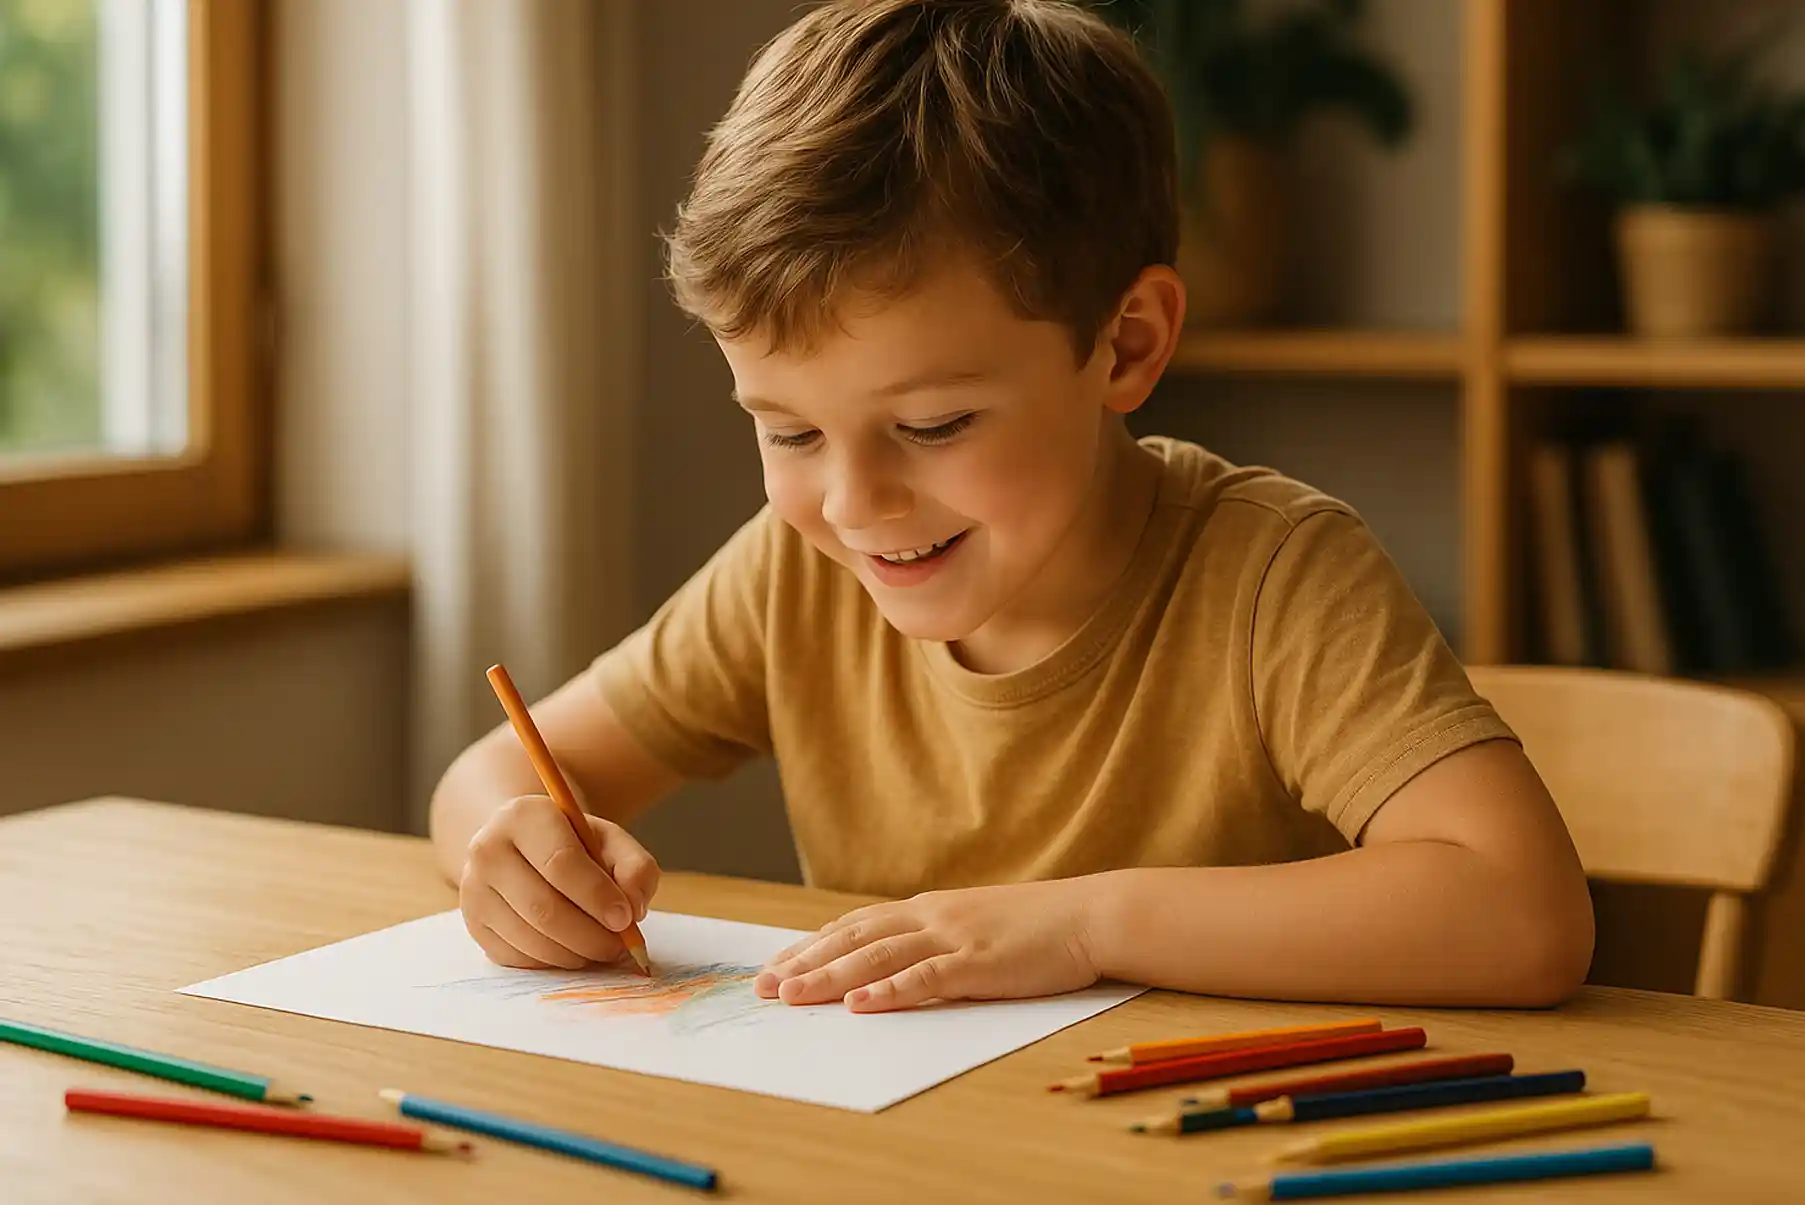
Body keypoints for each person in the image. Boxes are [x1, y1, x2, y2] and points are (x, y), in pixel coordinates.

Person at [429, 0, 1594, 1013]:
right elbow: (498, 771)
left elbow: (1521, 911)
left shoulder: (1273, 577)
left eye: (932, 425)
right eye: (786, 430)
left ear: (1125, 344)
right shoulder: (800, 573)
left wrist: (1078, 925)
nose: (851, 501)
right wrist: (516, 852)